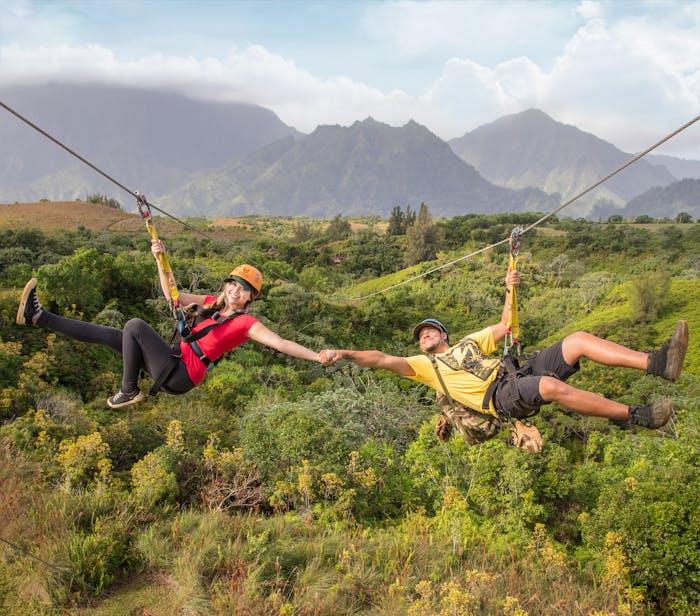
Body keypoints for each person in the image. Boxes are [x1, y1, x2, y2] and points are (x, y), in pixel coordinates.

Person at [321, 267, 688, 450]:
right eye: (420, 336)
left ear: (443, 335)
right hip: (498, 399)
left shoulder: (469, 342)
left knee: (576, 340)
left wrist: (509, 288)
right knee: (548, 386)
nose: (425, 336)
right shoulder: (424, 367)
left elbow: (504, 324)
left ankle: (657, 363)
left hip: (516, 368)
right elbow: (381, 359)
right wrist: (348, 353)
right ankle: (638, 416)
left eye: (430, 331)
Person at [17, 239, 326, 408]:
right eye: (233, 284)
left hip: (181, 375)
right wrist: (159, 259)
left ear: (249, 298)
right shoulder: (209, 303)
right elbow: (173, 295)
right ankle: (39, 317)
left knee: (135, 325)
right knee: (114, 334)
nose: (235, 290)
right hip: (173, 362)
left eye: (243, 289)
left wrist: (316, 355)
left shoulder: (245, 323)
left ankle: (129, 391)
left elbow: (281, 344)